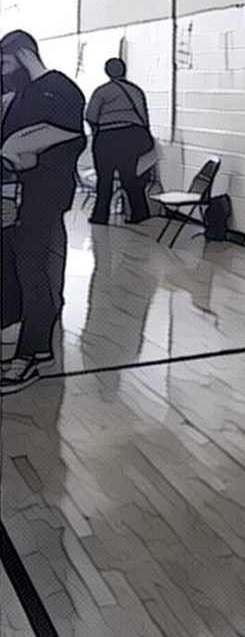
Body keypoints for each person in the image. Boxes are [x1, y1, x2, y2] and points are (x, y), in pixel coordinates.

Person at [0, 30, 87, 393]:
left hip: (44, 197)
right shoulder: (24, 95)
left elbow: (71, 137)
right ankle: (31, 348)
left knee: (38, 275)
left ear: (22, 55)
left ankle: (33, 356)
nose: (4, 72)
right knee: (25, 269)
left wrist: (22, 150)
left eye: (5, 63)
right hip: (24, 196)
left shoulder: (59, 88)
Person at [85, 58, 153, 225]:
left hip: (107, 138)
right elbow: (144, 117)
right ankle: (140, 213)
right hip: (131, 136)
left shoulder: (102, 91)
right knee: (129, 177)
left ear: (107, 72)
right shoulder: (136, 90)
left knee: (105, 179)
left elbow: (90, 116)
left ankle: (100, 216)